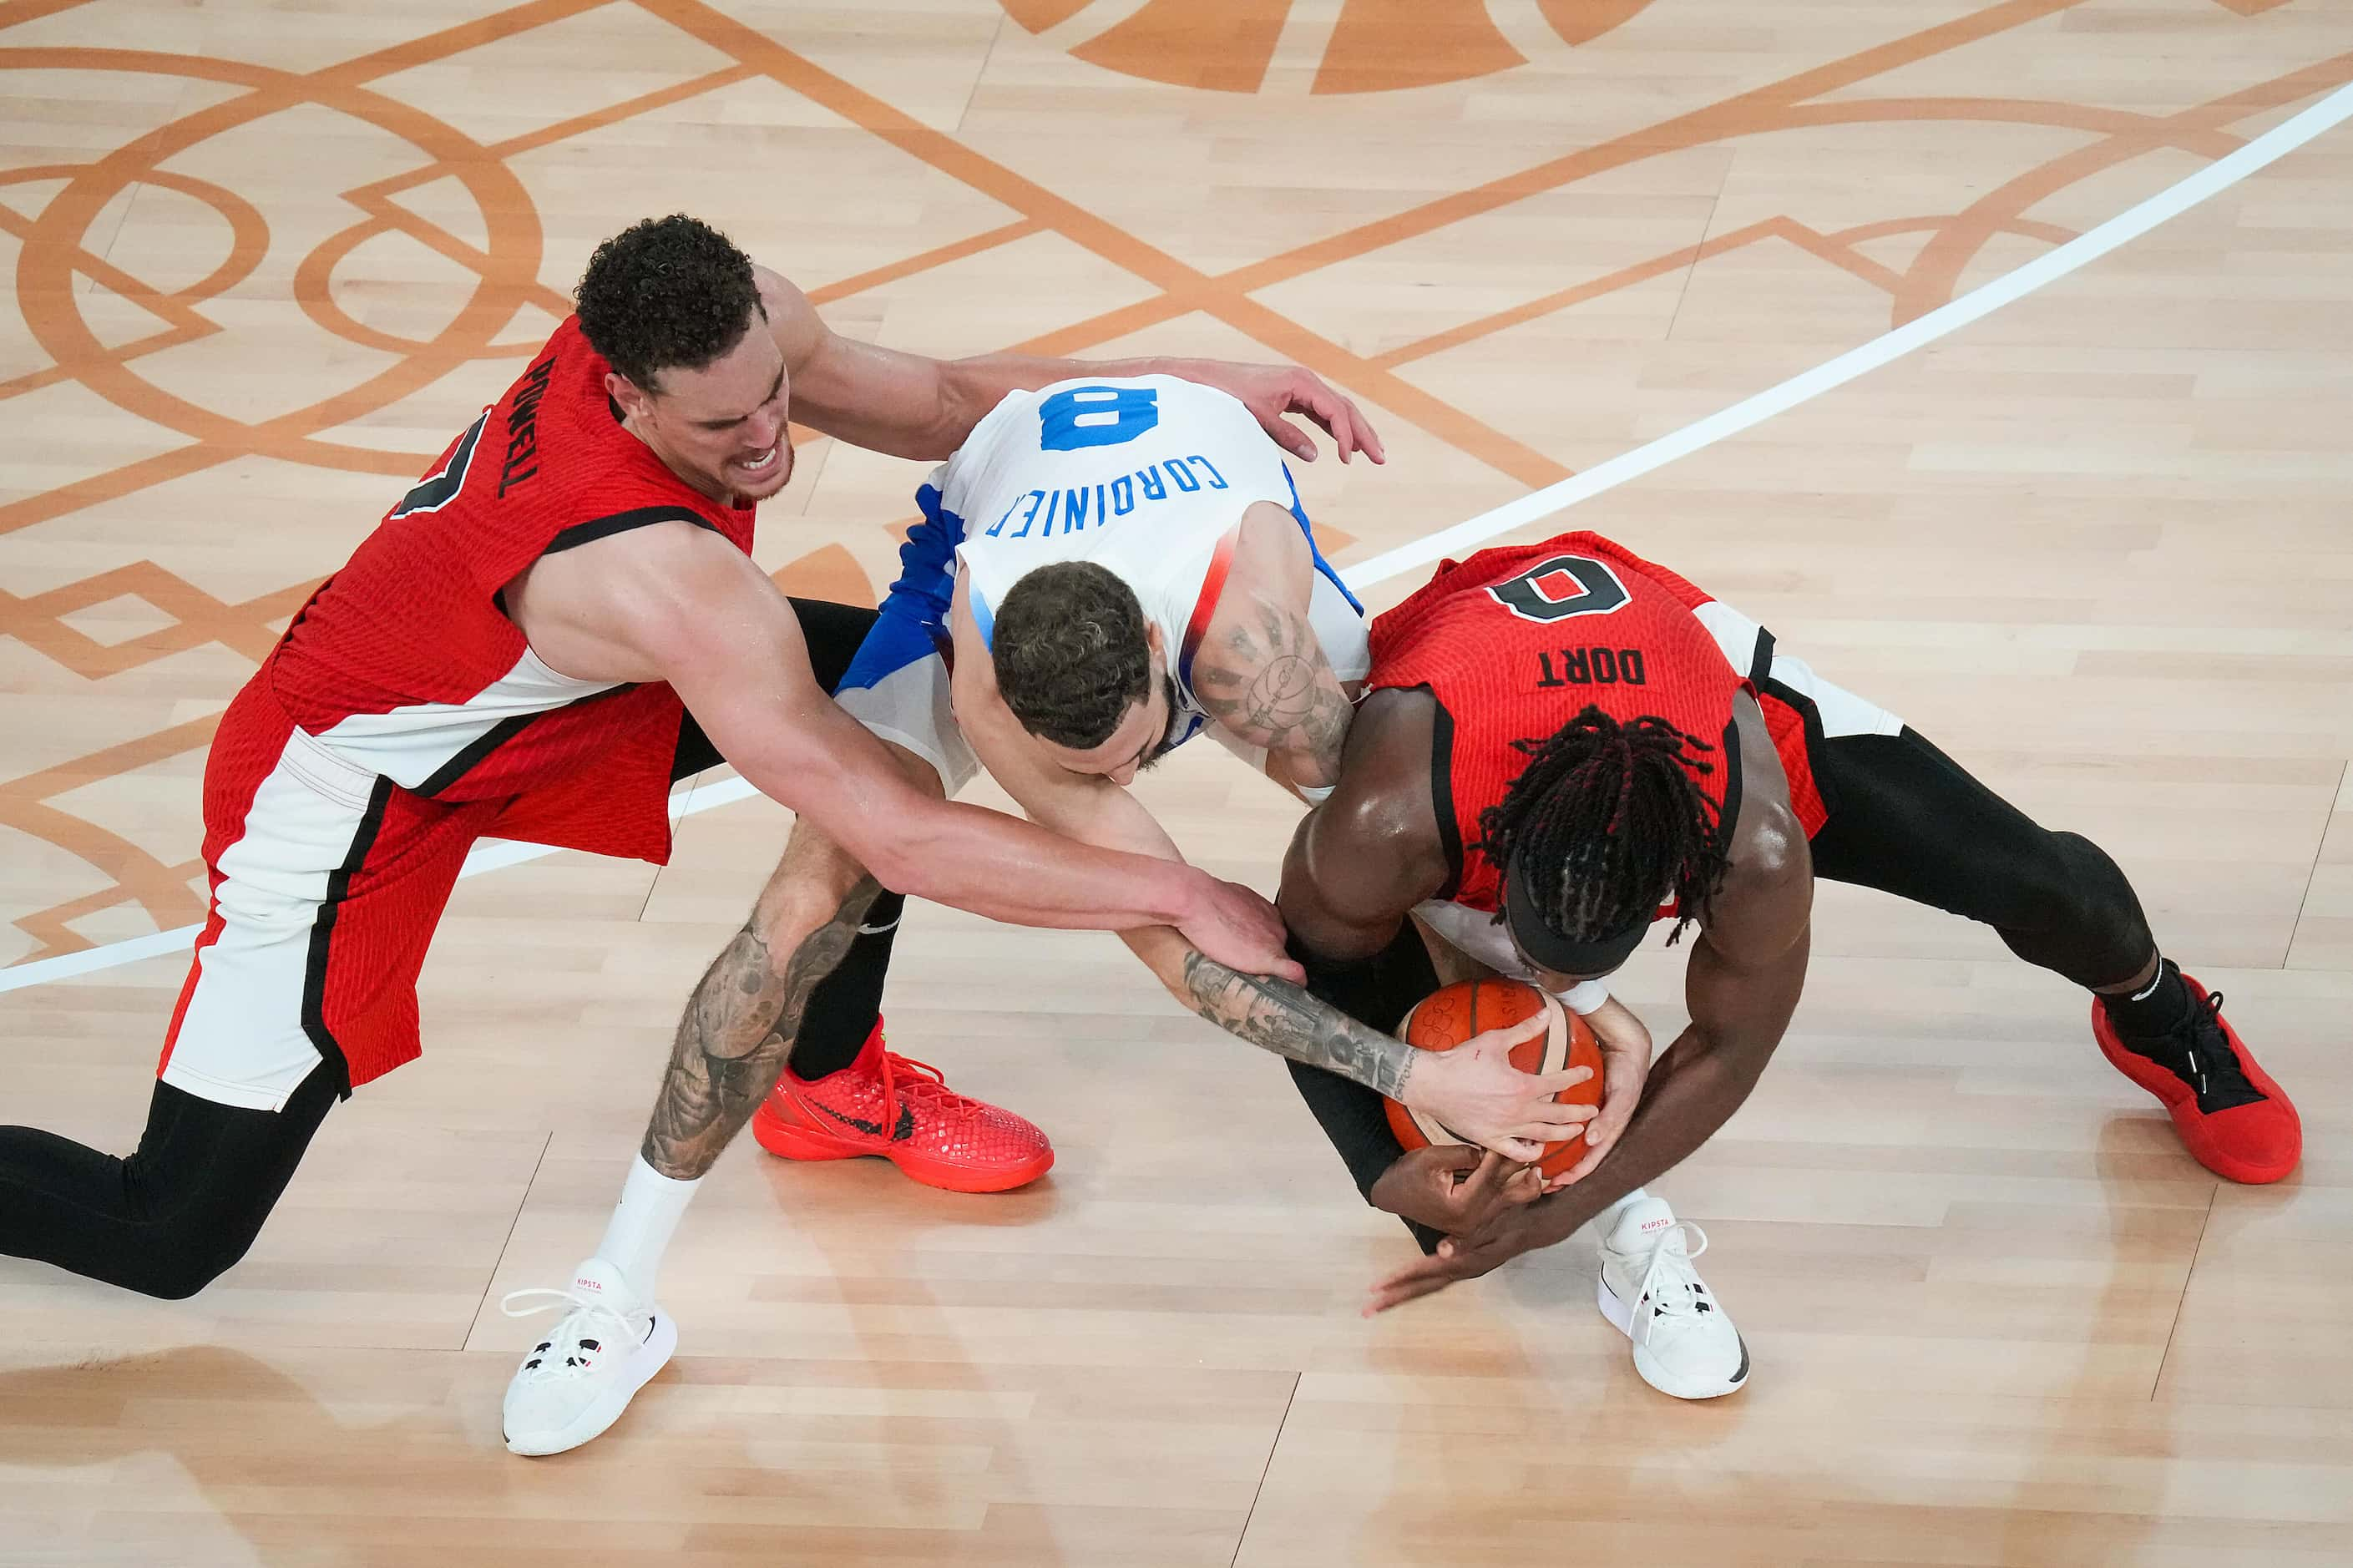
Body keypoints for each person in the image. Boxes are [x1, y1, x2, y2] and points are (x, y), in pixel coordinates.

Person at [0, 213, 1372, 1403]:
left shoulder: (727, 318)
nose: (770, 437)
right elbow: (893, 837)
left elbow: (955, 395)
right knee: (172, 1228)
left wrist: (1195, 383)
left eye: (776, 395)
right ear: (627, 394)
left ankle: (827, 1089)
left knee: (895, 703)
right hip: (352, 783)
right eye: (725, 426)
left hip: (555, 683)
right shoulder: (665, 574)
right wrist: (1177, 887)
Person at [510, 370, 1590, 1453]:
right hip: (994, 537)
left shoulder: (1256, 649)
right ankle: (614, 1287)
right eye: (1089, 775)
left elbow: (1413, 868)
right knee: (799, 908)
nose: (1120, 789)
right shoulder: (993, 689)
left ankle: (1605, 1191)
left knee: (1403, 843)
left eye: (1130, 758)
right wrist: (1413, 1075)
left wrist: (1526, 1035)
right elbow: (1180, 953)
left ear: (1169, 677)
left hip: (1208, 536)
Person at [1276, 529, 2302, 1399]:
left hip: (1694, 663)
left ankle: (2158, 1011)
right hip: (1466, 663)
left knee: (2040, 886)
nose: (1551, 987)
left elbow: (1729, 1044)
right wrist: (1378, 1166)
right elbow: (1302, 973)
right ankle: (1610, 1228)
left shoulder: (1752, 843)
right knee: (1441, 1173)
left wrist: (1565, 1211)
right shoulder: (1392, 815)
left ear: (1677, 889)